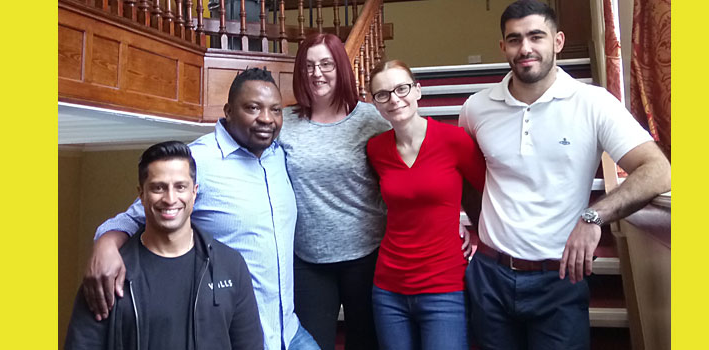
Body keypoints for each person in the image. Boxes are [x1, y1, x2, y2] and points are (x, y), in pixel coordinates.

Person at [459, 1, 671, 349]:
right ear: (503, 47)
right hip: (490, 276)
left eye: (535, 36)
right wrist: (475, 225)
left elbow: (658, 170)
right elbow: (465, 174)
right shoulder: (476, 108)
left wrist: (593, 217)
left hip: (559, 277)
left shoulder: (593, 103)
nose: (525, 48)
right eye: (514, 39)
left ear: (557, 41)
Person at [83, 68, 320, 350]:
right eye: (253, 108)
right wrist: (105, 247)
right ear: (228, 111)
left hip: (288, 331)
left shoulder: (278, 155)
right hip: (233, 336)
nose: (267, 118)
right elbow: (135, 216)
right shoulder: (198, 160)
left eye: (275, 110)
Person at [65, 141, 263, 350]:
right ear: (141, 194)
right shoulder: (110, 271)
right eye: (158, 188)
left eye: (180, 187)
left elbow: (249, 345)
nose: (170, 199)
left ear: (194, 192)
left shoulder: (229, 265)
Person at [278, 32, 392, 350]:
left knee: (367, 342)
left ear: (340, 67)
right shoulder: (284, 123)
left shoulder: (372, 120)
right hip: (308, 258)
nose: (317, 73)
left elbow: (410, 169)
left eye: (326, 64)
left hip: (366, 254)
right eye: (309, 65)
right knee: (311, 344)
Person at [364, 59, 484, 350]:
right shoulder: (375, 149)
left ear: (418, 90)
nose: (394, 99)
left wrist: (477, 233)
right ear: (375, 104)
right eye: (383, 94)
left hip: (444, 285)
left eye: (401, 89)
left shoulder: (454, 140)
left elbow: (486, 193)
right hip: (389, 285)